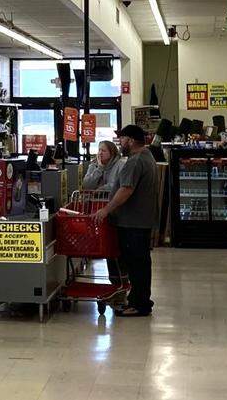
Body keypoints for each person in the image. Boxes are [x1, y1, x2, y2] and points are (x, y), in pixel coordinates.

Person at [93, 125, 159, 317]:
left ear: (130, 140)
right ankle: (140, 301)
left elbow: (126, 190)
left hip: (132, 222)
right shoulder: (147, 156)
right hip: (141, 220)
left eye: (121, 139)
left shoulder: (135, 161)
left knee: (136, 265)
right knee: (141, 263)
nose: (119, 143)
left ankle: (139, 304)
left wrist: (106, 209)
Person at [82, 140, 124, 284]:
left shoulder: (120, 164)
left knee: (114, 246)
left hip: (114, 209)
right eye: (99, 150)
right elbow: (87, 184)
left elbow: (114, 186)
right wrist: (99, 169)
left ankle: (119, 281)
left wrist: (98, 190)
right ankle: (114, 281)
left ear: (112, 153)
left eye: (103, 150)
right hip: (95, 210)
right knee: (101, 244)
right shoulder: (94, 165)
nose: (100, 153)